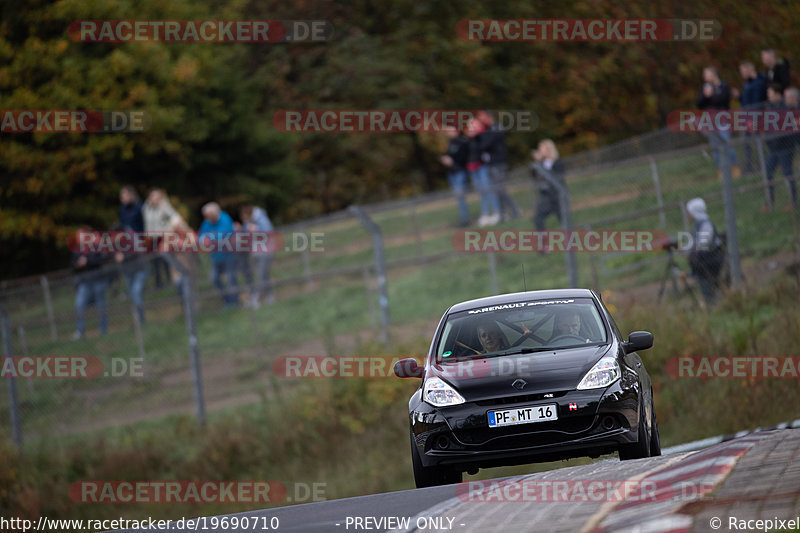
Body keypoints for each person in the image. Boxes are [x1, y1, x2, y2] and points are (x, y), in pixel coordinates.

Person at [696, 67, 740, 180]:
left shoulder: (723, 86)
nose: (704, 77)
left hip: (722, 120)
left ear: (714, 74)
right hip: (710, 121)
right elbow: (699, 103)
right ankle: (722, 171)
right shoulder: (705, 87)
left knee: (726, 144)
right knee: (715, 146)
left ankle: (734, 168)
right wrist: (706, 96)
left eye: (706, 74)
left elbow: (723, 100)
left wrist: (711, 96)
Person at [477, 110, 521, 222]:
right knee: (497, 190)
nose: (480, 119)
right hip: (491, 164)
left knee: (500, 189)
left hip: (498, 163)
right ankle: (503, 213)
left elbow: (485, 144)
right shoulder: (487, 130)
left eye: (482, 117)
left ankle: (515, 210)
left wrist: (479, 136)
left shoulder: (496, 127)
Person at [115, 186, 148, 325]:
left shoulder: (140, 208)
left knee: (135, 292)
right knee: (133, 292)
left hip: (139, 250)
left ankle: (141, 319)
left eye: (124, 195)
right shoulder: (122, 211)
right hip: (129, 259)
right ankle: (138, 318)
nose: (122, 199)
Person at [72, 228, 111, 339]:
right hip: (84, 283)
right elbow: (72, 266)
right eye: (79, 237)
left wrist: (87, 262)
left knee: (101, 306)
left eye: (82, 236)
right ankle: (80, 331)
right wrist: (78, 265)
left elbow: (103, 259)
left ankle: (103, 330)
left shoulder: (96, 246)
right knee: (79, 305)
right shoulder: (76, 251)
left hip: (98, 280)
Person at [199, 202, 239, 307]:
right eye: (207, 216)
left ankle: (235, 301)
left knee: (231, 278)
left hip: (229, 255)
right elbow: (201, 235)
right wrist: (204, 239)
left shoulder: (225, 218)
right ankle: (227, 299)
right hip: (215, 257)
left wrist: (210, 239)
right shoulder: (207, 222)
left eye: (210, 216)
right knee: (214, 278)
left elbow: (226, 233)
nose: (209, 219)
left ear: (216, 213)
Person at [686, 198, 725, 307]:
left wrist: (694, 250)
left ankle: (711, 300)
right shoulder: (699, 224)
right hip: (706, 256)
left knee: (706, 277)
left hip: (712, 258)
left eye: (689, 211)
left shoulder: (705, 224)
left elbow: (703, 243)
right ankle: (709, 297)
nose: (688, 214)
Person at [764, 83, 796, 209]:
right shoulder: (769, 108)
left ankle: (793, 202)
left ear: (777, 94)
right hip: (773, 149)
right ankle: (769, 202)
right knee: (768, 173)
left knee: (787, 174)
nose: (769, 96)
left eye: (770, 94)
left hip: (784, 148)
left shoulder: (785, 108)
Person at [465, 118, 500, 227]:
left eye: (474, 125)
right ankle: (485, 213)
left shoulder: (483, 135)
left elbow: (484, 147)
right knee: (481, 192)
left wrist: (476, 135)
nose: (472, 128)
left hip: (482, 166)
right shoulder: (469, 139)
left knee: (488, 189)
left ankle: (496, 211)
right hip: (473, 167)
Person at [143, 189, 180, 289]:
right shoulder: (146, 207)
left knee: (167, 259)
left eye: (156, 197)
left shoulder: (165, 206)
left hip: (163, 237)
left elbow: (175, 218)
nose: (154, 199)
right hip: (152, 237)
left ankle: (170, 280)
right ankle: (158, 282)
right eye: (152, 196)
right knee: (155, 261)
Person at [240, 205, 277, 307]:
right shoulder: (248, 222)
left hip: (266, 251)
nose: (243, 218)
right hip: (256, 252)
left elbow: (268, 232)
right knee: (264, 275)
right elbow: (245, 234)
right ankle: (270, 295)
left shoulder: (261, 219)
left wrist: (256, 230)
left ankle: (256, 298)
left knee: (261, 275)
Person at [735, 61, 767, 173]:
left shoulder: (760, 82)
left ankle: (762, 167)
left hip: (755, 117)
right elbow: (745, 102)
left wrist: (753, 119)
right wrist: (739, 96)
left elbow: (758, 102)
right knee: (745, 143)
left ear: (750, 70)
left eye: (743, 71)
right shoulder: (746, 84)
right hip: (745, 117)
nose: (742, 74)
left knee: (758, 143)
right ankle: (748, 169)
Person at [531, 139, 566, 232]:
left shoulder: (557, 162)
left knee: (564, 219)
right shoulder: (540, 163)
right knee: (538, 219)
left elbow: (557, 177)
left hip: (557, 196)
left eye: (542, 148)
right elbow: (534, 176)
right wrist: (537, 163)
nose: (540, 151)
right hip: (546, 196)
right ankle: (543, 244)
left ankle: (571, 241)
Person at [440, 128, 471, 227]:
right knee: (458, 197)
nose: (449, 132)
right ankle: (463, 218)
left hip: (460, 171)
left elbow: (464, 157)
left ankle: (465, 219)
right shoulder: (450, 142)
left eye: (451, 130)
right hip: (451, 173)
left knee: (461, 196)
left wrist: (452, 161)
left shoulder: (462, 142)